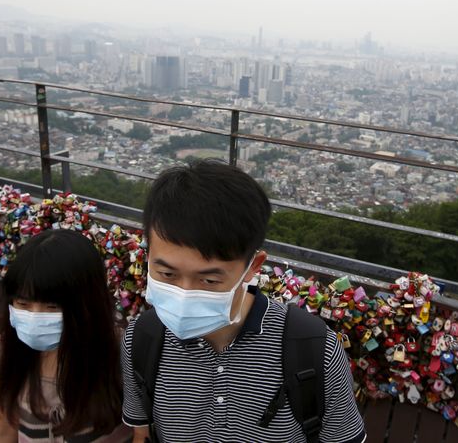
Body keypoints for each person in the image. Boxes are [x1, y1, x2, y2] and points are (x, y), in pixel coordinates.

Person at [121, 159, 366, 443]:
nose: (184, 293)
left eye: (209, 280)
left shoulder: (313, 349)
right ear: (147, 253)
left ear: (253, 265)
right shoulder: (142, 340)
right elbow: (142, 435)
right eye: (166, 273)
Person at [0, 229, 124, 442]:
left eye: (52, 307)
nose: (35, 316)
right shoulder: (7, 350)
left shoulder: (120, 353)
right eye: (22, 304)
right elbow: (3, 431)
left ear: (88, 305)